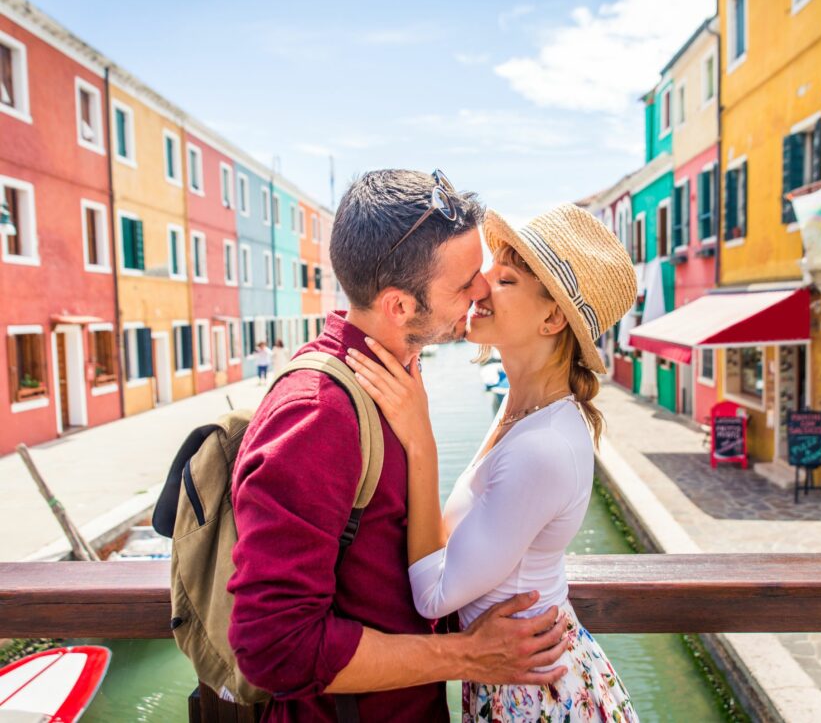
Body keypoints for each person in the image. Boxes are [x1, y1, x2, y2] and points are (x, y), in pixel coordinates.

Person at [227, 170, 570, 723]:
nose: (480, 290)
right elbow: (273, 648)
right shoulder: (319, 416)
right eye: (463, 285)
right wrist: (468, 656)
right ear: (398, 306)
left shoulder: (393, 378)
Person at [345, 203, 640, 722]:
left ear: (553, 318)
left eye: (505, 279)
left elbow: (435, 596)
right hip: (522, 675)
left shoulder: (542, 448)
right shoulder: (522, 406)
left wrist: (421, 440)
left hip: (538, 693)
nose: (479, 285)